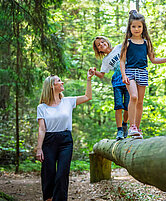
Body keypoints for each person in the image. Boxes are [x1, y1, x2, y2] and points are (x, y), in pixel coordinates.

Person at [35, 68, 95, 201]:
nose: (62, 82)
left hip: (65, 141)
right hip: (49, 141)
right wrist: (39, 148)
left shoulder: (68, 101)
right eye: (59, 81)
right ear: (52, 86)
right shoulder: (42, 107)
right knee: (48, 174)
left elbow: (87, 97)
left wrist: (89, 79)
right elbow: (41, 129)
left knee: (62, 174)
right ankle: (49, 198)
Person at [120, 10, 166, 138]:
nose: (136, 29)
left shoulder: (146, 42)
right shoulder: (128, 42)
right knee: (133, 97)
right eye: (134, 26)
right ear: (130, 27)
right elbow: (122, 60)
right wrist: (124, 75)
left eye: (139, 26)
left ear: (143, 27)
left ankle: (137, 129)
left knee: (140, 102)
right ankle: (131, 126)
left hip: (143, 72)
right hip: (130, 72)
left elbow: (153, 60)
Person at [93, 36, 129, 140]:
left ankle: (125, 124)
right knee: (118, 106)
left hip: (128, 79)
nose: (101, 44)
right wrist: (94, 72)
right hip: (117, 82)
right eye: (98, 45)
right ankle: (119, 130)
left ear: (107, 42)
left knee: (128, 106)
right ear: (98, 50)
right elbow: (102, 74)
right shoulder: (105, 60)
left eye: (102, 42)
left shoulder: (119, 47)